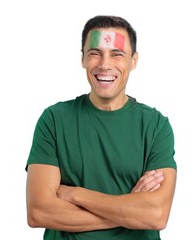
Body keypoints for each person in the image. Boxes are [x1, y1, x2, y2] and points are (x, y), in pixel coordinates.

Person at [25, 15, 177, 240]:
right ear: (83, 59)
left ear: (133, 61)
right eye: (95, 53)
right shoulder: (54, 120)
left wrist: (75, 194)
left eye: (117, 54)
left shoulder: (155, 125)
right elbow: (39, 212)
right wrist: (128, 211)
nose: (105, 65)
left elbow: (155, 215)